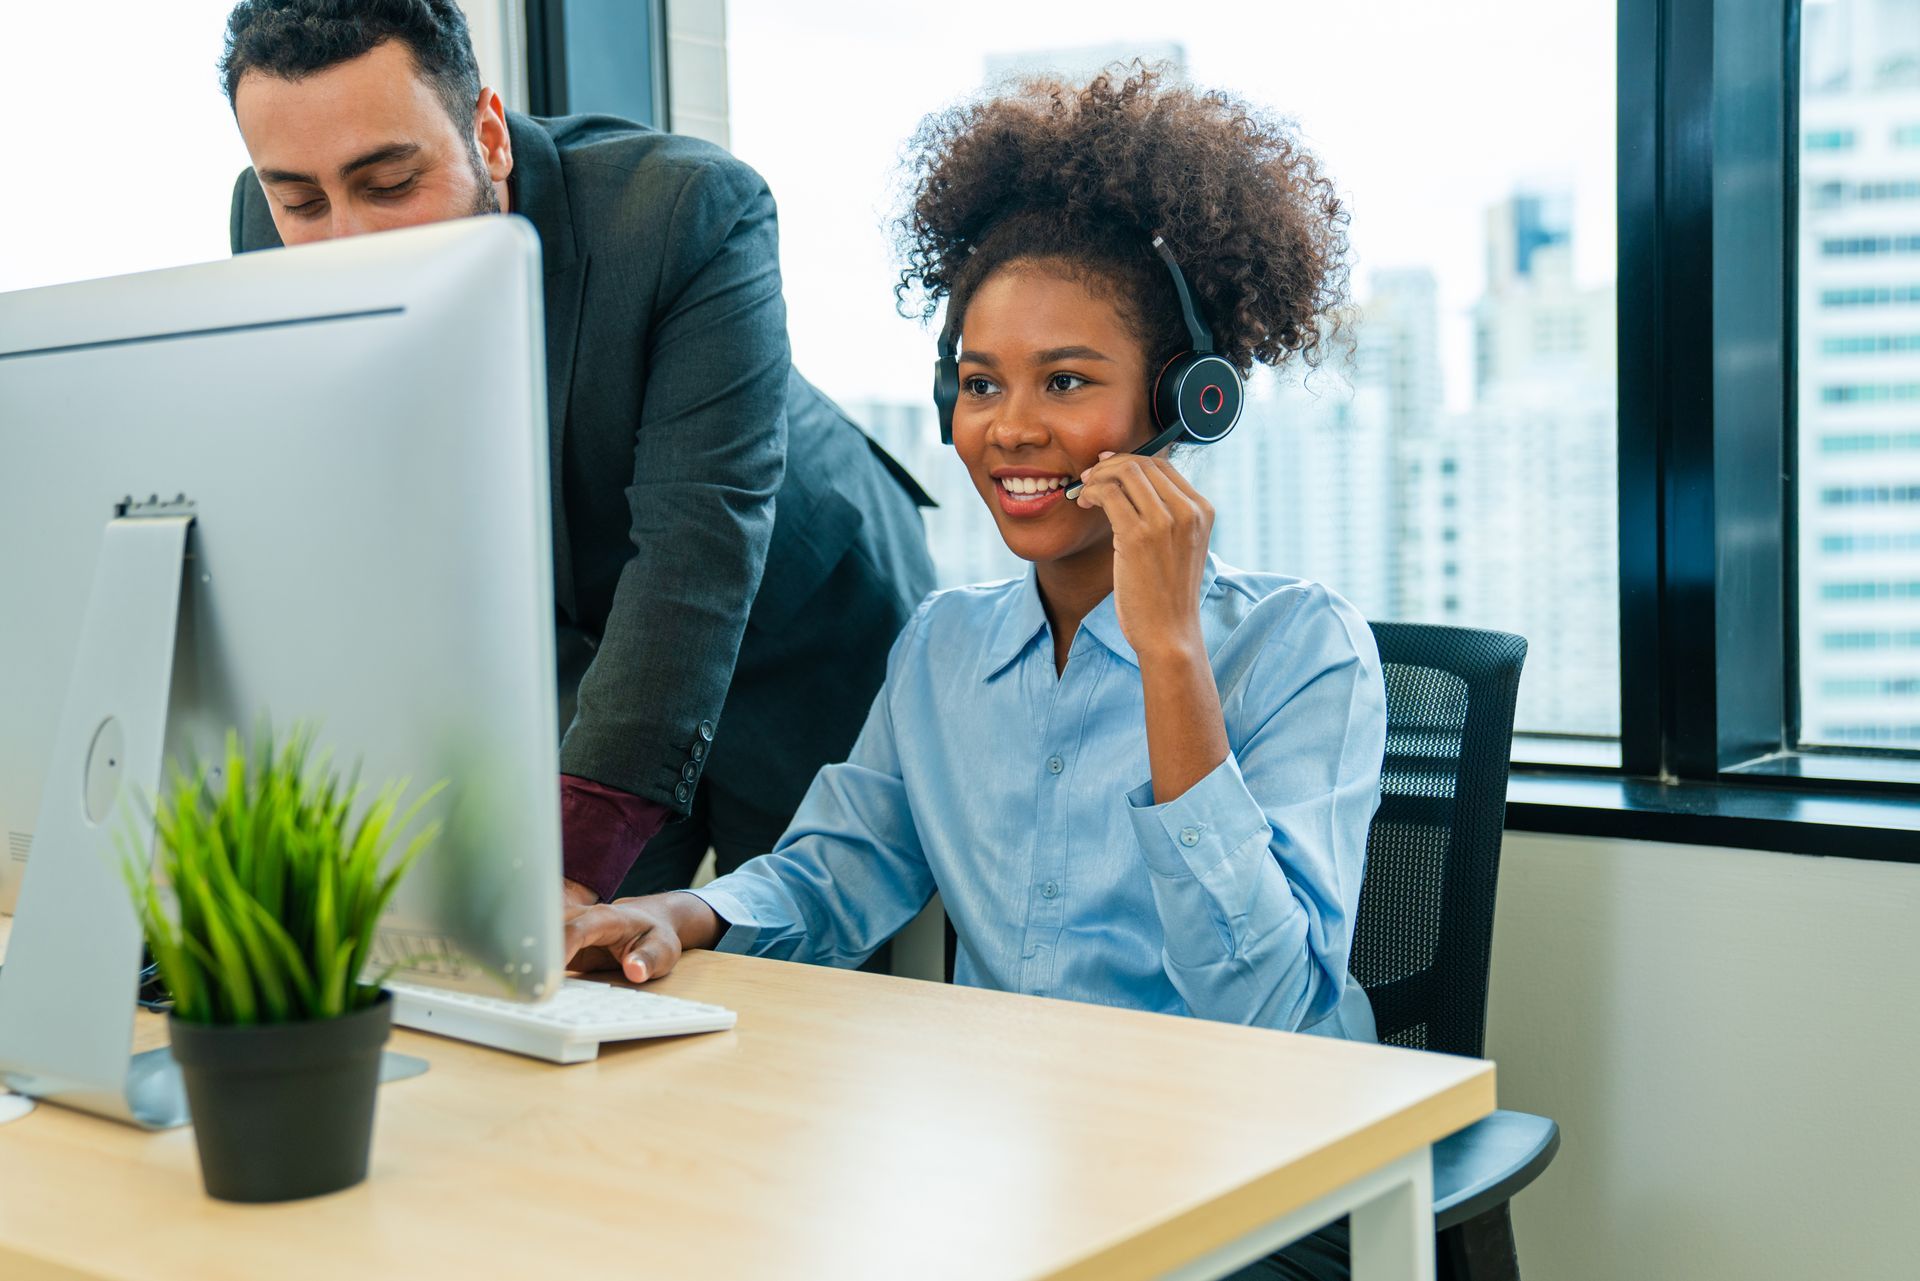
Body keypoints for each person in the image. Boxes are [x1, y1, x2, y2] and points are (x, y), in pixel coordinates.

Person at [563, 66, 1385, 1280]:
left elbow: (1262, 1010)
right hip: (1012, 1162)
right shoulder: (946, 647)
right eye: (980, 384)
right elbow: (844, 870)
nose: (1008, 429)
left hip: (1250, 1175)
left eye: (1066, 382)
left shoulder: (1305, 652)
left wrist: (1166, 652)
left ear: (1183, 403)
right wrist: (678, 914)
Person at [217, 0, 936, 913]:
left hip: (800, 619)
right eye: (302, 201)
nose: (346, 244)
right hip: (595, 652)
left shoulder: (686, 211)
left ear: (488, 134)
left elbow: (695, 541)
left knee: (799, 985)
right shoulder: (263, 227)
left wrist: (571, 865)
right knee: (583, 975)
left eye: (391, 182)